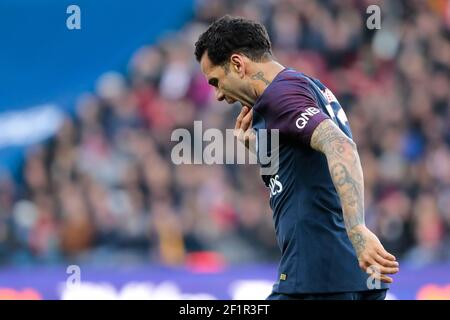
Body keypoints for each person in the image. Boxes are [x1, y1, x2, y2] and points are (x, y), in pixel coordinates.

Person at [194, 15, 399, 300]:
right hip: (350, 274)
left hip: (318, 273)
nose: (217, 94)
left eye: (216, 81)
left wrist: (358, 229)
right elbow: (301, 178)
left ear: (238, 64)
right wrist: (261, 150)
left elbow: (341, 146)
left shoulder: (281, 95)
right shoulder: (303, 86)